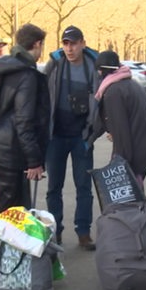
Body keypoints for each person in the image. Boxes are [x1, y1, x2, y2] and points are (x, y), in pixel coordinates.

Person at [0, 24, 50, 216]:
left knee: (5, 204)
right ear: (37, 44)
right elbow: (24, 121)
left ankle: (5, 244)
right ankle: (6, 246)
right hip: (9, 151)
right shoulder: (26, 75)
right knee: (11, 210)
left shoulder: (5, 67)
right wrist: (34, 161)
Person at [43, 25, 100, 250]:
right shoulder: (55, 64)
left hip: (82, 137)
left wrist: (92, 134)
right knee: (53, 188)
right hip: (55, 136)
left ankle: (83, 233)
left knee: (84, 187)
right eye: (66, 43)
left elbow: (101, 100)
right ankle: (55, 232)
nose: (70, 48)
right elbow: (42, 94)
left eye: (74, 43)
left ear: (83, 44)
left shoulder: (93, 66)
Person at [91, 50, 146, 186]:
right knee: (137, 199)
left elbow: (122, 133)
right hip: (144, 154)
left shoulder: (113, 92)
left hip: (131, 159)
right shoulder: (136, 86)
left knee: (128, 203)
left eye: (99, 70)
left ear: (103, 71)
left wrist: (119, 166)